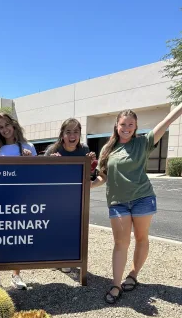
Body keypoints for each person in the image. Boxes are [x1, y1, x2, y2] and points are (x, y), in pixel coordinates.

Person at [91, 106, 182, 304]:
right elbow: (102, 177)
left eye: (130, 124)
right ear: (116, 126)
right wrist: (89, 186)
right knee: (120, 243)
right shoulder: (108, 149)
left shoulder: (143, 143)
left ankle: (133, 274)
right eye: (123, 124)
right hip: (118, 202)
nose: (126, 128)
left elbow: (166, 122)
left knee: (141, 238)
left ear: (135, 126)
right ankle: (116, 284)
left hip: (143, 198)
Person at [0, 112, 37, 289]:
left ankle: (16, 275)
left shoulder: (28, 147)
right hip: (1, 198)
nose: (4, 129)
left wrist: (29, 162)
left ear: (14, 125)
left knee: (18, 238)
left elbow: (34, 176)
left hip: (21, 199)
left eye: (6, 125)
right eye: (0, 127)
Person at [45, 117, 94, 273]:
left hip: (75, 198)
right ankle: (55, 257)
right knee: (55, 227)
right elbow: (40, 173)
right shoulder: (53, 150)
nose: (72, 135)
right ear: (62, 134)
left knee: (71, 228)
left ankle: (66, 258)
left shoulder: (84, 150)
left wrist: (91, 164)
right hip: (54, 197)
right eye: (68, 132)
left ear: (80, 134)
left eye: (76, 131)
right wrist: (50, 164)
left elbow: (89, 174)